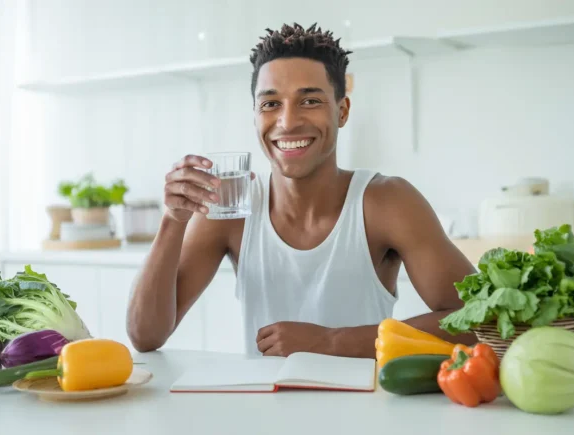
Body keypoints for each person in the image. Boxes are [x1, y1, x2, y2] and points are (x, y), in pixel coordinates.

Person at [126, 23, 478, 357]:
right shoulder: (233, 210)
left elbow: (478, 320)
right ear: (254, 116)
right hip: (265, 414)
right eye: (270, 104)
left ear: (342, 111)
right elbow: (145, 335)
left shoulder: (387, 202)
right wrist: (173, 220)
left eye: (309, 101)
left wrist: (333, 341)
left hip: (367, 414)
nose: (288, 121)